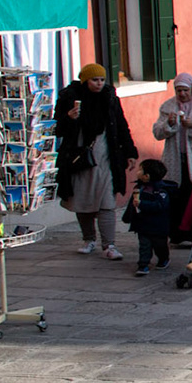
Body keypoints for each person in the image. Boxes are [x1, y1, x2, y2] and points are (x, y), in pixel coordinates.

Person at [56, 64, 137, 260]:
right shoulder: (69, 98)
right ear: (85, 81)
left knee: (107, 201)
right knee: (82, 199)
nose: (99, 83)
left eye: (102, 79)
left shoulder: (110, 98)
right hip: (80, 159)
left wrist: (130, 152)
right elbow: (56, 128)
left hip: (107, 158)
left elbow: (121, 125)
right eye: (95, 80)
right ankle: (88, 239)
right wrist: (69, 118)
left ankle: (109, 245)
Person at [151, 72, 192, 245]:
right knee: (175, 196)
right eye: (179, 90)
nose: (182, 94)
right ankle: (177, 235)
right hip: (175, 159)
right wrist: (169, 125)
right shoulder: (168, 106)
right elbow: (157, 133)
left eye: (185, 90)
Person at [123, 158, 176, 277]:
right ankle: (143, 264)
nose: (137, 172)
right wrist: (128, 216)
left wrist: (142, 204)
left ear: (147, 176)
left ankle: (163, 259)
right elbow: (131, 206)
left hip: (158, 225)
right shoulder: (139, 188)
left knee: (160, 245)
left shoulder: (161, 191)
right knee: (144, 245)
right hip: (143, 224)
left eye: (140, 170)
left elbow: (160, 206)